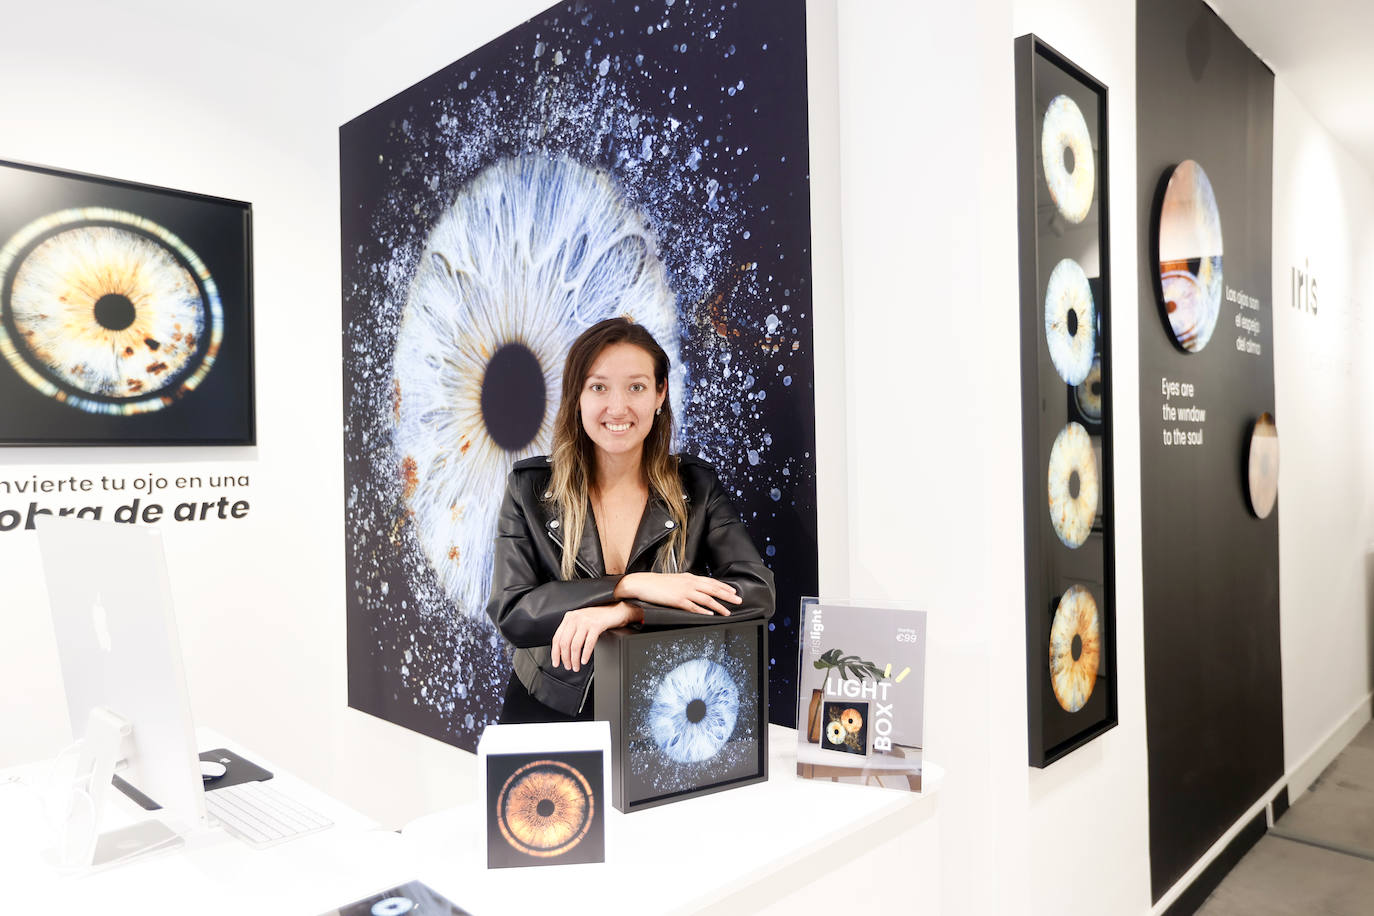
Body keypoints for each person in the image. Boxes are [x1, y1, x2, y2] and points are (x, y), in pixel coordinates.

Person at [486, 317, 775, 723]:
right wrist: (630, 584)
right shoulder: (528, 488)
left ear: (660, 393)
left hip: (661, 712)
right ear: (578, 397)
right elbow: (513, 611)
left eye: (636, 387)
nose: (617, 407)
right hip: (549, 706)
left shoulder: (697, 486)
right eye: (599, 386)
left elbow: (757, 592)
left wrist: (630, 611)